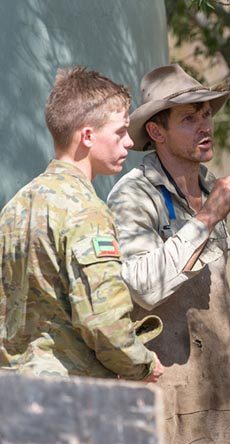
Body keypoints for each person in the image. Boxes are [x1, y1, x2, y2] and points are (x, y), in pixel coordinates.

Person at [106, 64, 230, 443]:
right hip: (167, 397)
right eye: (188, 118)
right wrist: (208, 216)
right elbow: (142, 287)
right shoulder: (133, 195)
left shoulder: (211, 187)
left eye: (206, 115)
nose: (205, 126)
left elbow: (203, 287)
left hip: (226, 393)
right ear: (156, 131)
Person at [0, 67, 164, 382]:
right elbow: (103, 321)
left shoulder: (14, 207)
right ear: (87, 136)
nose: (129, 142)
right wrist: (142, 364)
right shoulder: (87, 212)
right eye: (120, 131)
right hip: (71, 398)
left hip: (13, 394)